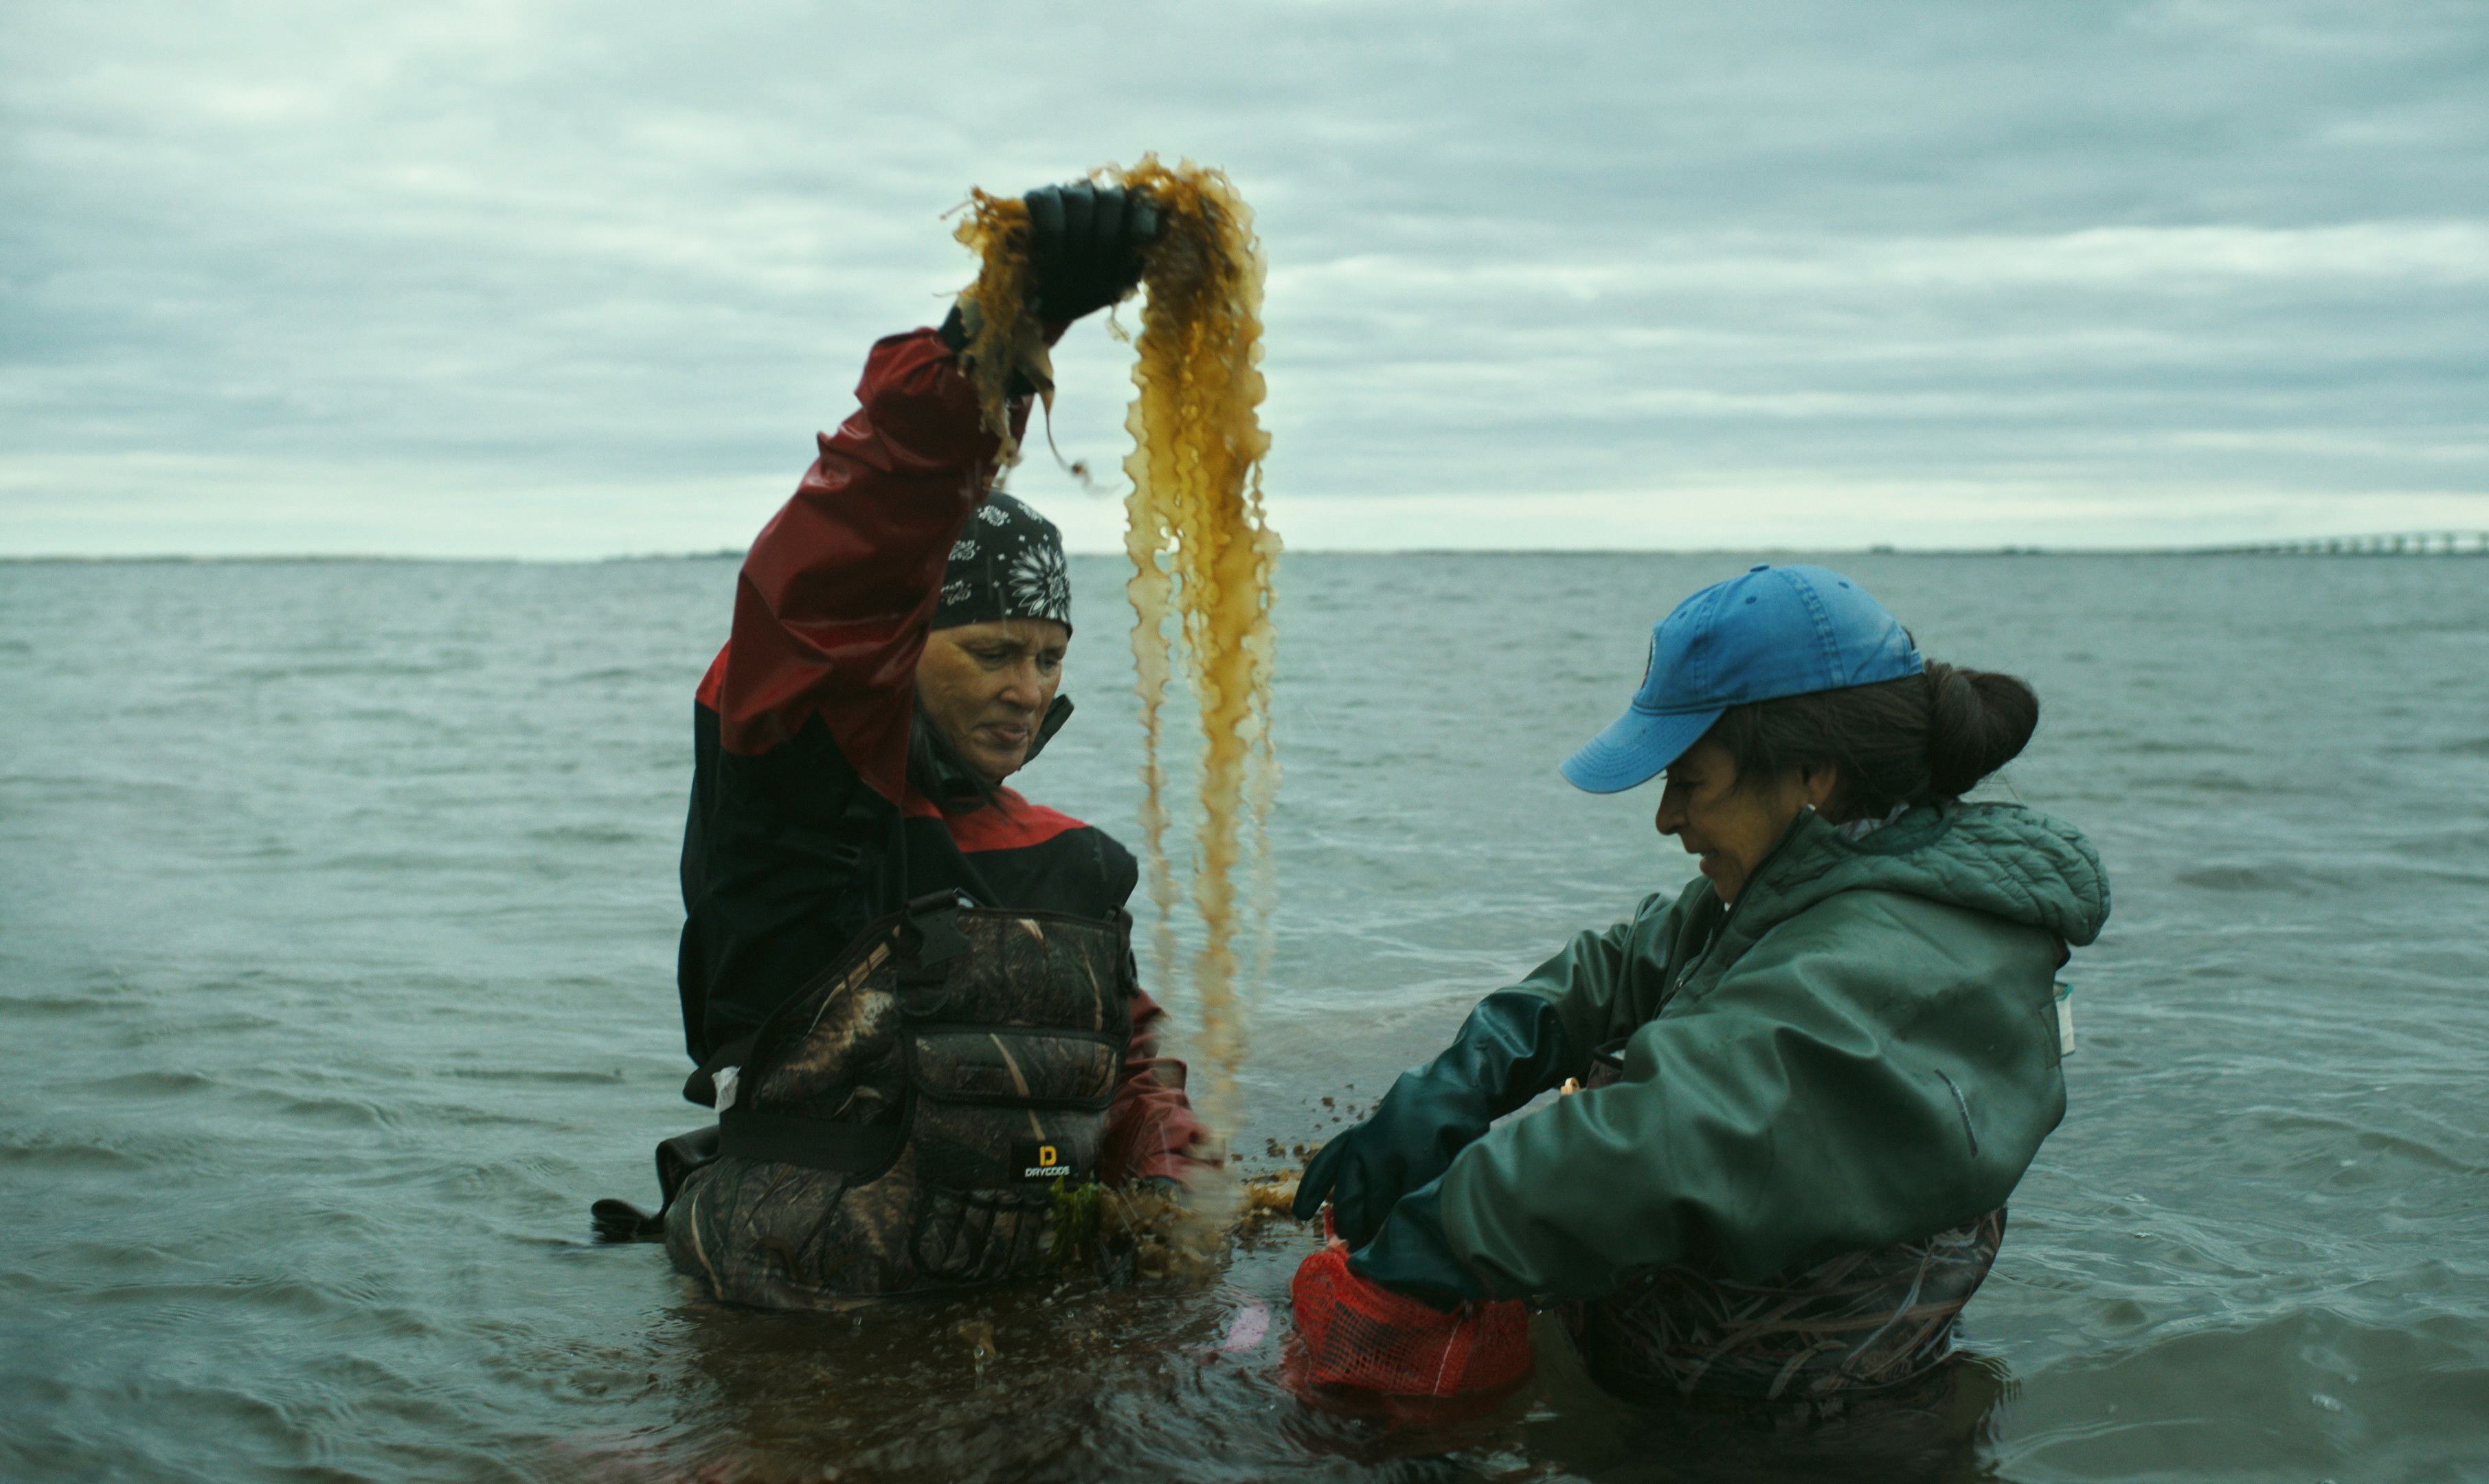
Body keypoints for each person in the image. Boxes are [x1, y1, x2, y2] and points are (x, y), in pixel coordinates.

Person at [1292, 563, 2110, 1406]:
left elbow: (1661, 1134)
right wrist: (1466, 1076)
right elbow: (1627, 961)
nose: (1666, 818)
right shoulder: (1837, 866)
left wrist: (1434, 1236)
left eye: (1690, 782)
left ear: (1813, 776)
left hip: (1809, 1425)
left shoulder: (1892, 950)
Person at [598, 181, 1210, 1307]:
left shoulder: (1077, 860)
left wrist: (1168, 1178)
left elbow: (1129, 1064)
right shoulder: (798, 813)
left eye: (1049, 656)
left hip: (1015, 1329)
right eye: (990, 653)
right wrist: (987, 352)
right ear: (900, 646)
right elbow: (834, 575)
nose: (1027, 691)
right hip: (805, 1330)